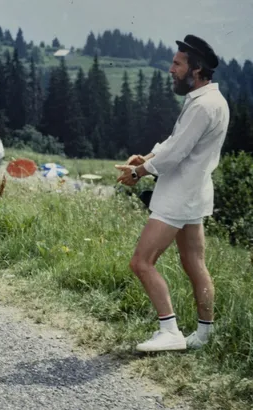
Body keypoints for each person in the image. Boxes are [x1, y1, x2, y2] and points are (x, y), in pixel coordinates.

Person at [115, 34, 230, 353]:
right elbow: (175, 143)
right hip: (194, 193)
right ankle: (204, 335)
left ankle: (170, 331)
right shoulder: (211, 100)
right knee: (194, 263)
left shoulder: (202, 106)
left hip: (178, 196)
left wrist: (138, 172)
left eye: (178, 64)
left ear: (197, 69)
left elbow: (177, 152)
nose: (171, 69)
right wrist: (147, 158)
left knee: (141, 262)